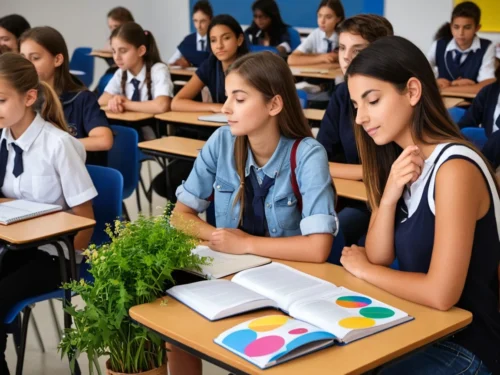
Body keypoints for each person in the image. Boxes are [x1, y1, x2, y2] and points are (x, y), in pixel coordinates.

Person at [169, 51, 338, 375]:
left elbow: (318, 248)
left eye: (239, 98)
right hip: (234, 274)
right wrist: (220, 238)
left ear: (274, 105)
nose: (225, 108)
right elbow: (180, 216)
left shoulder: (307, 155)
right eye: (227, 96)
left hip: (289, 283)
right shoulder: (221, 141)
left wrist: (245, 244)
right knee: (177, 328)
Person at [341, 36, 500, 374]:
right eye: (356, 105)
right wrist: (389, 195)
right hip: (421, 328)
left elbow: (442, 294)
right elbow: (378, 254)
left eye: (372, 101)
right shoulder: (405, 164)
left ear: (412, 91)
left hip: (466, 347)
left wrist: (365, 271)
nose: (360, 118)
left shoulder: (455, 168)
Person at [0, 53, 97, 375]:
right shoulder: (2, 139)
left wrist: (72, 260)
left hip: (56, 254)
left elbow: (84, 217)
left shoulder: (58, 145)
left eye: (0, 100)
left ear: (29, 98)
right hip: (15, 246)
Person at [317, 14, 393, 247]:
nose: (347, 57)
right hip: (357, 198)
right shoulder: (342, 95)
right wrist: (365, 170)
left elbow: (394, 173)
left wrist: (372, 172)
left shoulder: (395, 97)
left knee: (333, 238)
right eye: (342, 48)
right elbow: (316, 160)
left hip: (395, 203)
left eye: (357, 51)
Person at [20, 26, 113, 166]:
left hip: (75, 176)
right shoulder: (23, 98)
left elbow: (103, 140)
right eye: (23, 59)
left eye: (35, 58)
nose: (27, 65)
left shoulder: (82, 98)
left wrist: (56, 145)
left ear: (57, 59)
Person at [171, 14, 249, 112]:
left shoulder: (252, 67)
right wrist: (213, 106)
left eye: (226, 38)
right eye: (213, 40)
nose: (219, 46)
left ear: (239, 40)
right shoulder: (210, 65)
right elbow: (176, 103)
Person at [427, 1, 495, 93]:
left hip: (473, 104)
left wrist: (448, 87)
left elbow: (488, 85)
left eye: (467, 27)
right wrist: (435, 82)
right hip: (442, 101)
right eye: (456, 27)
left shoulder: (486, 47)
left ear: (477, 28)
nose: (461, 33)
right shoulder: (439, 45)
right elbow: (419, 73)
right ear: (451, 27)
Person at [288, 0, 345, 66]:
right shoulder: (316, 34)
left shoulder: (344, 35)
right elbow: (291, 59)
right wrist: (321, 58)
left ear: (338, 19)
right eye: (319, 16)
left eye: (328, 17)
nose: (322, 21)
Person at [168, 0, 213, 68]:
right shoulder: (188, 40)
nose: (198, 26)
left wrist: (190, 64)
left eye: (202, 21)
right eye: (195, 21)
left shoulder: (216, 40)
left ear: (210, 20)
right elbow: (170, 63)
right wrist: (179, 62)